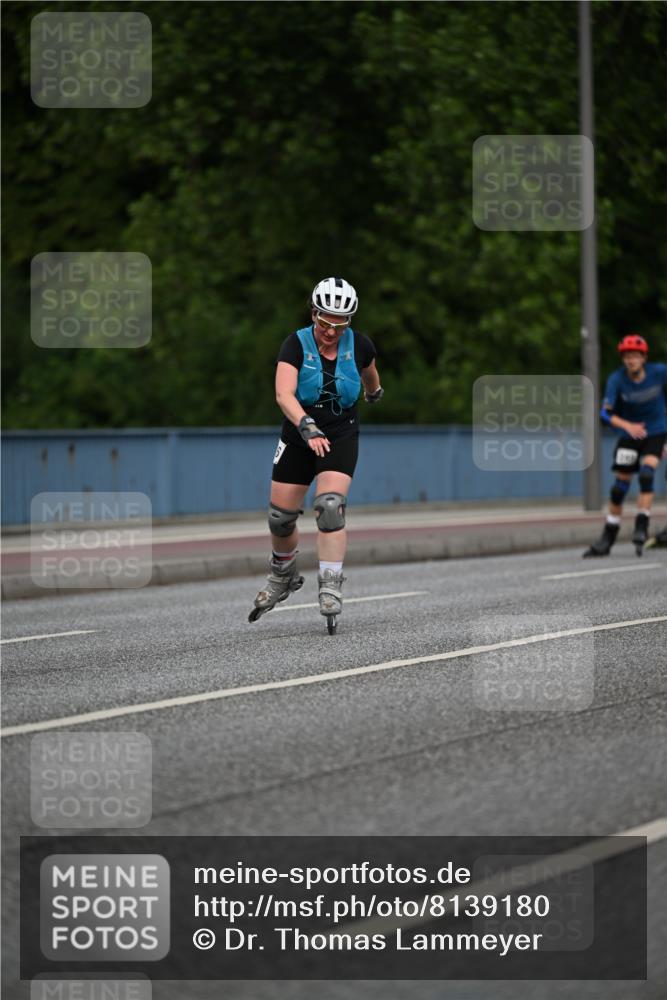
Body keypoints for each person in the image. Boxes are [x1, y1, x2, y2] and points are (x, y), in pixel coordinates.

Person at [249, 277, 383, 625]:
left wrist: (374, 392)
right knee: (280, 519)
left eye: (340, 325)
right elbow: (283, 394)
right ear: (314, 313)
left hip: (339, 437)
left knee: (329, 508)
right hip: (299, 436)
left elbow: (369, 373)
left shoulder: (361, 345)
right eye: (325, 322)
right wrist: (306, 426)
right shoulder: (295, 344)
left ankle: (330, 583)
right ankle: (283, 576)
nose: (331, 331)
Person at [583, 334, 667, 557]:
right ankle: (608, 536)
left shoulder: (659, 372)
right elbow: (605, 412)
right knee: (619, 488)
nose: (631, 360)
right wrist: (628, 426)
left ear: (644, 358)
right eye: (627, 356)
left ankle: (641, 526)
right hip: (630, 435)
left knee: (647, 475)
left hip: (656, 432)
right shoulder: (617, 379)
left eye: (635, 356)